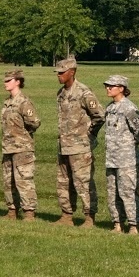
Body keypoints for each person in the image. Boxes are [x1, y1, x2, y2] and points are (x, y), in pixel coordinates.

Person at [54, 58, 104, 227]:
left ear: (72, 72)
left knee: (84, 182)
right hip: (64, 146)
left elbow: (99, 115)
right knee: (63, 182)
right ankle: (66, 215)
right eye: (58, 73)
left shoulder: (84, 93)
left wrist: (89, 135)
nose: (59, 76)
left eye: (62, 73)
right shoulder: (60, 94)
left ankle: (89, 217)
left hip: (80, 147)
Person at [103, 75, 139, 234]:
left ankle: (134, 224)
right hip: (111, 158)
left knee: (128, 192)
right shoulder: (110, 108)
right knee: (112, 193)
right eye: (107, 86)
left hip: (127, 159)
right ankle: (117, 223)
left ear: (121, 88)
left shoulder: (129, 108)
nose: (108, 88)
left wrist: (127, 145)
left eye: (111, 86)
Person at [0, 69, 40, 221]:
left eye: (8, 80)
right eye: (5, 80)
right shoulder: (7, 102)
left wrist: (23, 135)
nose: (5, 83)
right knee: (8, 180)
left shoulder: (23, 102)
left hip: (22, 148)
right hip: (8, 147)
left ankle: (29, 212)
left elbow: (34, 122)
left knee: (23, 180)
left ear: (18, 82)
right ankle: (12, 210)